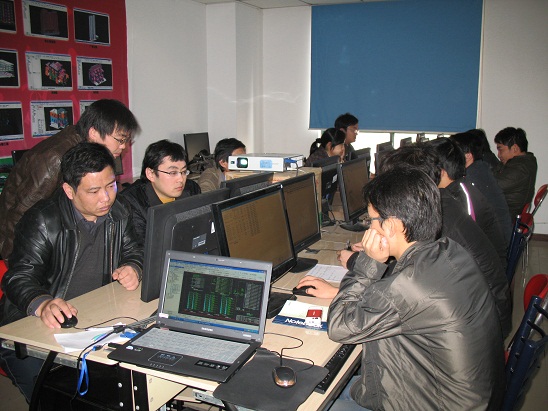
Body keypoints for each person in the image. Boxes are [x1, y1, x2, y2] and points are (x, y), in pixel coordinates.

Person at [327, 168, 504, 410]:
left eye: (371, 221)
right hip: (460, 395)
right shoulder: (449, 250)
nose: (369, 230)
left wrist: (367, 263)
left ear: (391, 226)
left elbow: (339, 326)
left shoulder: (411, 287)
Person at [298, 144, 511, 339]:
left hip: (484, 327)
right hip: (479, 324)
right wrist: (389, 247)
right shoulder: (440, 219)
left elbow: (343, 325)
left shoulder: (419, 274)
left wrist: (362, 266)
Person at [0, 142, 143, 402]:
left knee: (127, 379)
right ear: (69, 190)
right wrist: (43, 303)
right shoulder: (42, 220)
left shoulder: (119, 211)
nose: (106, 198)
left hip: (93, 318)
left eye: (111, 185)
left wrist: (134, 267)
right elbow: (19, 276)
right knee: (52, 398)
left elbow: (135, 250)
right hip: (30, 326)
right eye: (94, 191)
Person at [0, 99, 140, 262]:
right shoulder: (55, 159)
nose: (124, 147)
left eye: (127, 140)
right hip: (20, 240)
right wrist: (17, 262)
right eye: (120, 140)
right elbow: (21, 215)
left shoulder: (96, 150)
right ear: (94, 133)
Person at [429, 137, 508, 267]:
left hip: (481, 273)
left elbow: (460, 248)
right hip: (476, 266)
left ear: (441, 171)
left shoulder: (462, 197)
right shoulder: (458, 187)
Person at [120, 139, 201, 243]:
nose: (181, 179)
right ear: (151, 174)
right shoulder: (131, 203)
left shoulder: (192, 189)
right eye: (173, 173)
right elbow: (142, 248)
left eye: (184, 172)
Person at [450, 131, 512, 244]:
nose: (449, 157)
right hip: (497, 237)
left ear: (468, 156)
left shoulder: (472, 178)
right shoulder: (479, 169)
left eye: (453, 153)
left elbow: (464, 217)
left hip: (494, 244)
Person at [493, 127, 538, 219]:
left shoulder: (522, 168)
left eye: (500, 149)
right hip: (502, 210)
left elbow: (494, 185)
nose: (498, 154)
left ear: (515, 149)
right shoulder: (514, 163)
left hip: (506, 215)